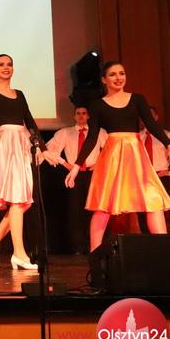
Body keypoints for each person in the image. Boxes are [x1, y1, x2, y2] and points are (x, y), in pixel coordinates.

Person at [65, 61, 170, 251]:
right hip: (112, 156)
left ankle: (163, 252)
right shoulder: (97, 105)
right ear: (104, 79)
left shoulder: (137, 99)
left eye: (122, 73)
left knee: (153, 200)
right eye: (113, 74)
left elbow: (151, 124)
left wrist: (169, 144)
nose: (118, 78)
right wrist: (77, 166)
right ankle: (95, 255)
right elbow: (92, 137)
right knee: (103, 205)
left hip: (136, 155)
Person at [0, 54, 58, 270]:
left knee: (22, 201)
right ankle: (19, 254)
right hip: (6, 144)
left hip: (21, 144)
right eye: (1, 64)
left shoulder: (20, 94)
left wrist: (44, 149)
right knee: (17, 200)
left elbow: (29, 121)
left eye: (9, 64)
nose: (6, 67)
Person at [46, 106, 107, 254]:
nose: (81, 116)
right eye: (78, 114)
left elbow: (110, 150)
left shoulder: (98, 132)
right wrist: (65, 164)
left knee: (95, 210)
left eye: (84, 113)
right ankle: (78, 247)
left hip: (93, 174)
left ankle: (95, 245)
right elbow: (49, 150)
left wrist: (100, 163)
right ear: (74, 116)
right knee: (75, 211)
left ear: (88, 116)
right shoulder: (65, 133)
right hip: (74, 174)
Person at [138, 106, 170, 233]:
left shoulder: (166, 135)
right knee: (143, 211)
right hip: (142, 178)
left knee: (162, 211)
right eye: (145, 115)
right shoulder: (137, 137)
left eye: (151, 115)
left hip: (160, 177)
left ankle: (164, 240)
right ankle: (146, 240)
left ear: (156, 117)